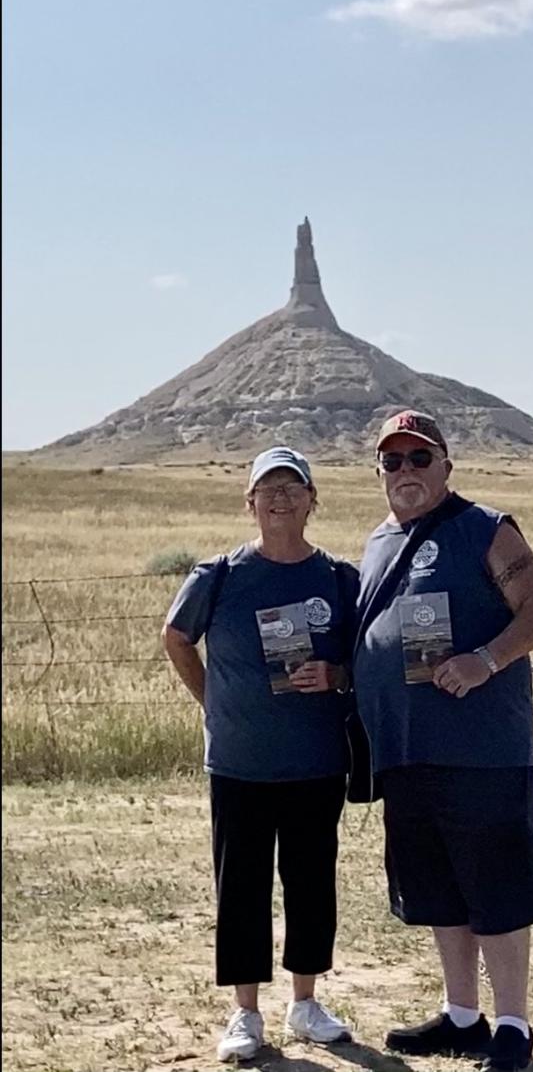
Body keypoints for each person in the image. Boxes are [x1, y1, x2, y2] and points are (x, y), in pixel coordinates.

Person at [353, 411, 533, 1072]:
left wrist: (486, 660)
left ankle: (513, 1026)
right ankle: (463, 1015)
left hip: (483, 749)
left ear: (447, 464)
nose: (406, 470)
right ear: (379, 472)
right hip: (408, 749)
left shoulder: (485, 527)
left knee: (496, 887)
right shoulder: (377, 543)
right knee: (439, 887)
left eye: (420, 456)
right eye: (393, 460)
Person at [162, 447, 358, 1062]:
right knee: (240, 887)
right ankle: (245, 1014)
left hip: (316, 761)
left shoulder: (338, 578)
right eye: (268, 490)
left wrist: (336, 675)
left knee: (311, 882)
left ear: (312, 501)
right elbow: (175, 637)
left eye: (292, 489)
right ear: (249, 502)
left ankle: (306, 1002)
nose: (280, 499)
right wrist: (211, 703)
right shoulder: (218, 574)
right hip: (239, 763)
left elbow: (366, 662)